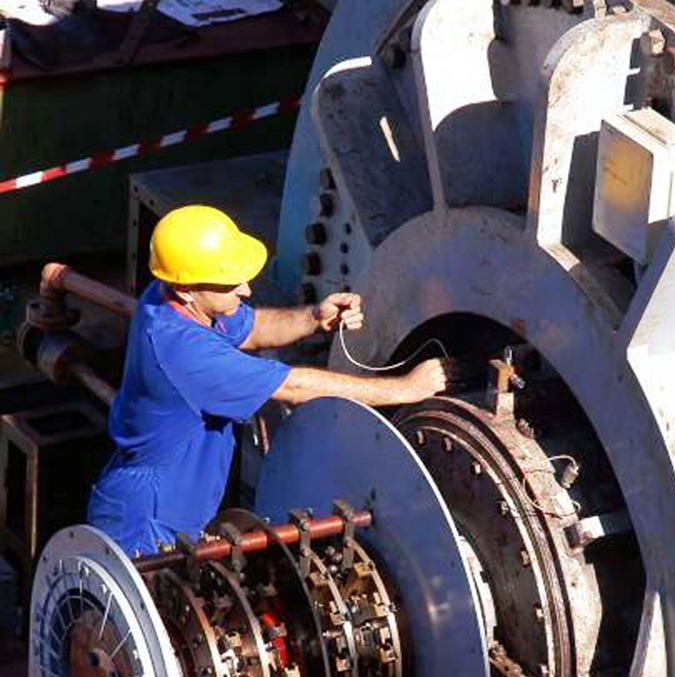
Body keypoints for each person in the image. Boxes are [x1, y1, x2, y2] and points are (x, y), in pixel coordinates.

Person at [87, 204, 449, 556]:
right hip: (147, 521)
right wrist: (405, 388)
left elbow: (251, 328)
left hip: (170, 501)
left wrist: (313, 317)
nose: (245, 289)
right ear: (186, 288)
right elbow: (294, 387)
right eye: (230, 282)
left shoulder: (167, 297)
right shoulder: (185, 354)